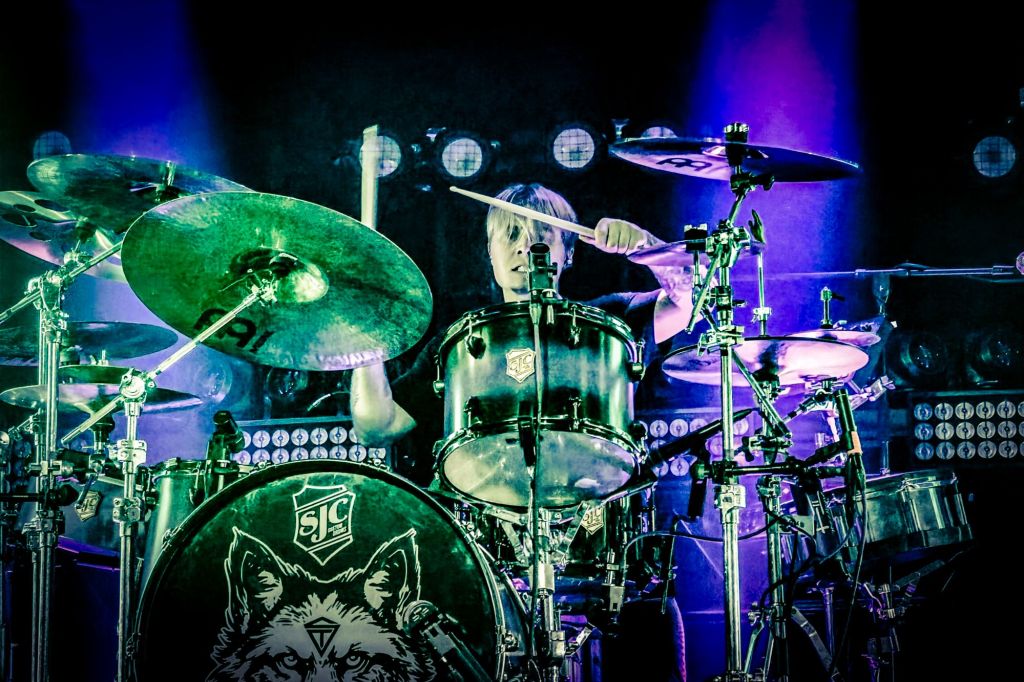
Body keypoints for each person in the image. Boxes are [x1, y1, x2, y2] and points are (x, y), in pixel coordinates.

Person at [350, 182, 695, 681]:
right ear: (489, 254)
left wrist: (647, 248)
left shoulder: (608, 320)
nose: (523, 247)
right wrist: (361, 329)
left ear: (568, 252)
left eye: (541, 235)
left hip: (594, 540)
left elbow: (686, 303)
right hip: (490, 557)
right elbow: (377, 424)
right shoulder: (463, 344)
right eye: (509, 235)